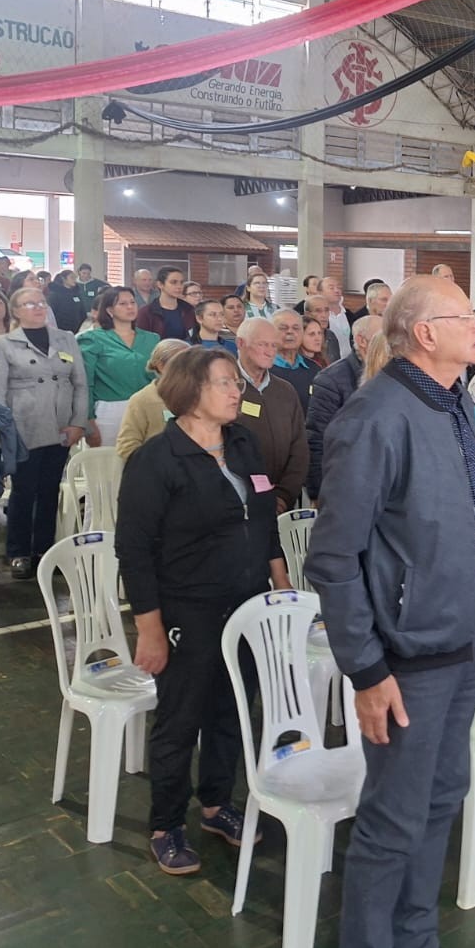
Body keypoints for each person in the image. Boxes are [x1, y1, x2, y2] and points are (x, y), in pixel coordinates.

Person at [304, 274, 475, 948]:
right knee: (391, 824)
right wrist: (365, 667)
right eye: (465, 316)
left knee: (441, 801)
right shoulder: (376, 416)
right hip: (406, 662)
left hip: (460, 644)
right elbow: (332, 558)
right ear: (425, 332)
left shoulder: (448, 404)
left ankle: (417, 938)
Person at [118, 347, 289, 876]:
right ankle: (166, 824)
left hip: (247, 605)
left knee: (231, 712)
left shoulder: (242, 443)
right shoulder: (156, 461)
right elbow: (135, 551)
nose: (236, 390)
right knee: (180, 719)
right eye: (224, 383)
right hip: (186, 612)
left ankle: (216, 806)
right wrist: (148, 628)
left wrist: (280, 587)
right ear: (190, 393)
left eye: (235, 382)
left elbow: (262, 519)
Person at [0, 286, 92, 579]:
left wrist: (77, 423)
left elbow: (81, 384)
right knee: (24, 491)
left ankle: (44, 551)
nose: (37, 307)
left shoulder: (66, 339)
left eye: (41, 302)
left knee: (49, 492)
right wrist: (4, 431)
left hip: (61, 428)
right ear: (16, 311)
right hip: (24, 427)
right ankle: (19, 551)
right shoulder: (5, 344)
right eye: (29, 303)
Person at [233, 318, 309, 513]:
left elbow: (299, 447)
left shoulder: (285, 390)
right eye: (262, 344)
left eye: (274, 345)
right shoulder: (226, 387)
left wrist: (284, 497)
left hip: (282, 503)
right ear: (240, 343)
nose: (270, 351)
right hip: (238, 503)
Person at [305, 316, 382, 500]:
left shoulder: (390, 375)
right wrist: (318, 492)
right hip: (345, 483)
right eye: (382, 338)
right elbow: (317, 438)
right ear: (362, 341)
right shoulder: (331, 380)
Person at [78, 287, 160, 447]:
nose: (130, 307)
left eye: (132, 302)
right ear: (109, 310)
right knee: (109, 466)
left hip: (147, 407)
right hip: (109, 412)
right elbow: (84, 383)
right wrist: (88, 420)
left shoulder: (152, 339)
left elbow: (159, 377)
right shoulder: (92, 339)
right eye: (122, 304)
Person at [115, 339, 192, 460]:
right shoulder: (141, 400)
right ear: (161, 366)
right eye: (181, 362)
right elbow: (127, 446)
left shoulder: (199, 396)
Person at [270, 308, 319, 409]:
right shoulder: (262, 369)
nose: (290, 332)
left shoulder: (314, 369)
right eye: (283, 328)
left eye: (296, 328)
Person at [136, 267, 195, 343]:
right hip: (157, 353)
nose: (179, 286)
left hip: (185, 353)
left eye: (181, 282)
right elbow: (142, 343)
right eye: (173, 282)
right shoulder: (146, 312)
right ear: (160, 284)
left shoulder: (188, 309)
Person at [302, 295, 343, 365]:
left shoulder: (331, 336)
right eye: (318, 311)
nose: (324, 315)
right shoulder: (300, 336)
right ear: (307, 314)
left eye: (326, 310)